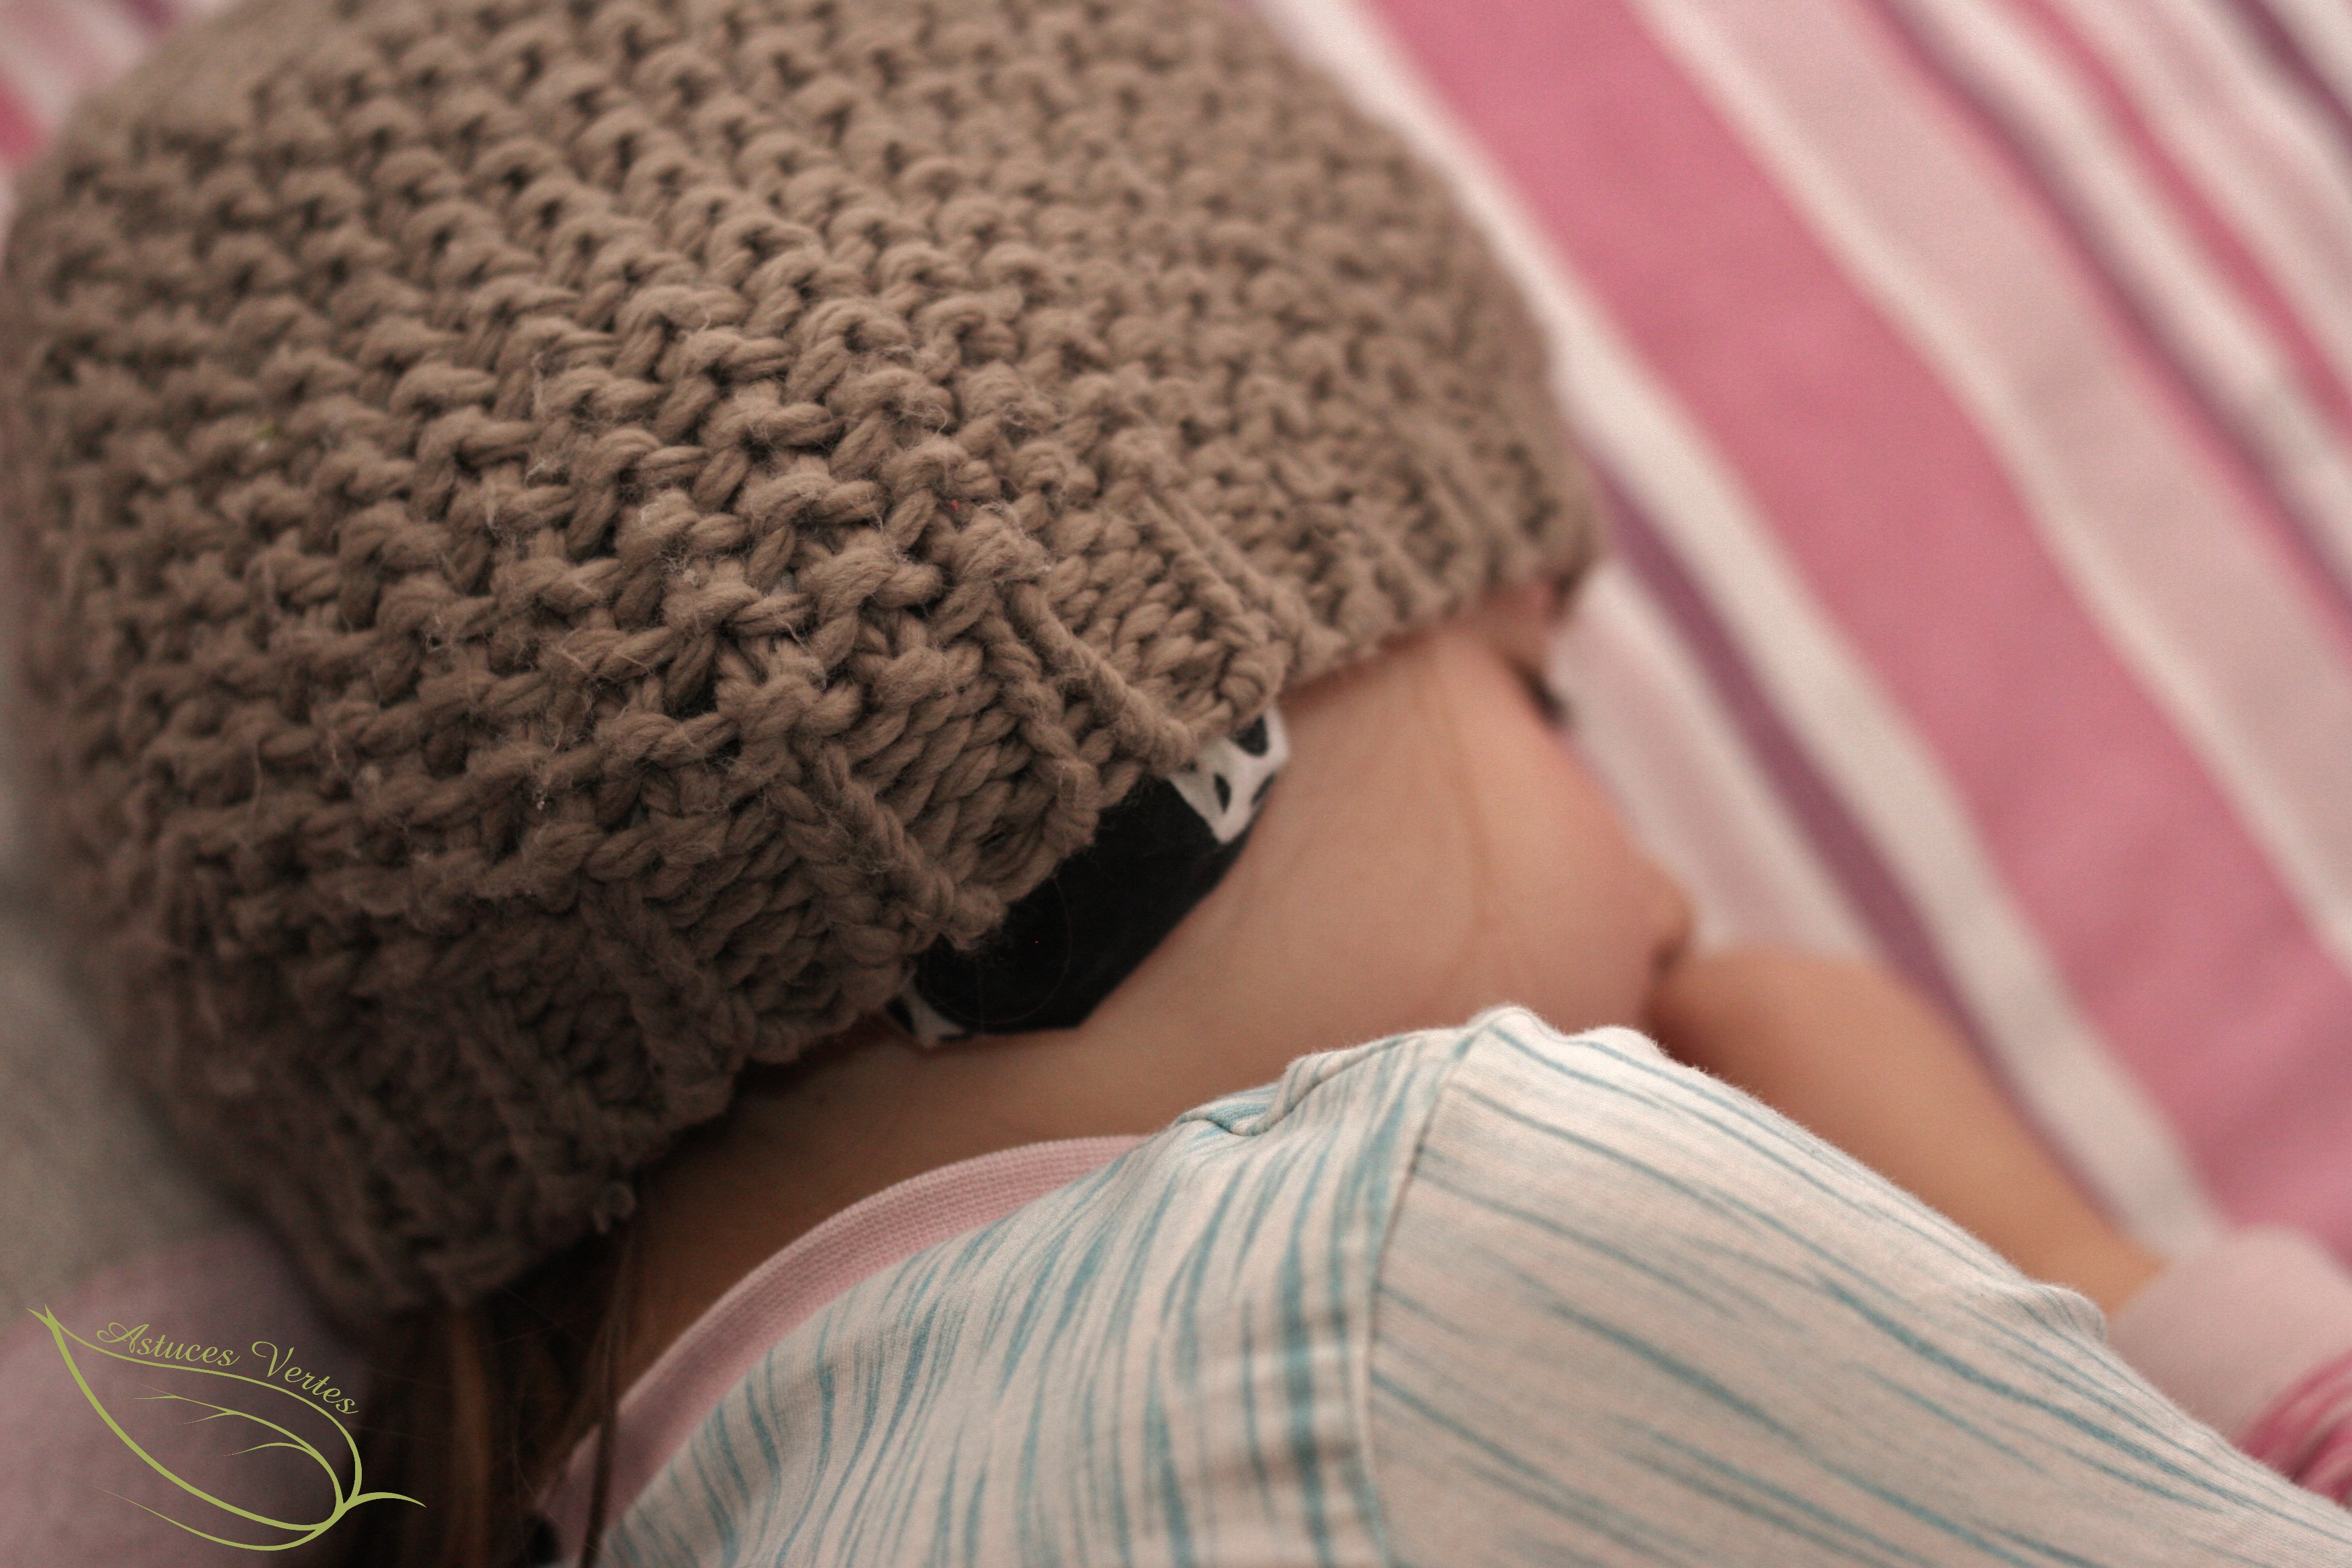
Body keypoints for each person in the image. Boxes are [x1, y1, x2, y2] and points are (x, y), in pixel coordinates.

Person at [1, 0, 2347, 1564]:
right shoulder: (1469, 1264)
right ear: (1159, 770)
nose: (1666, 889)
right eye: (1538, 700)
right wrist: (2092, 1284)